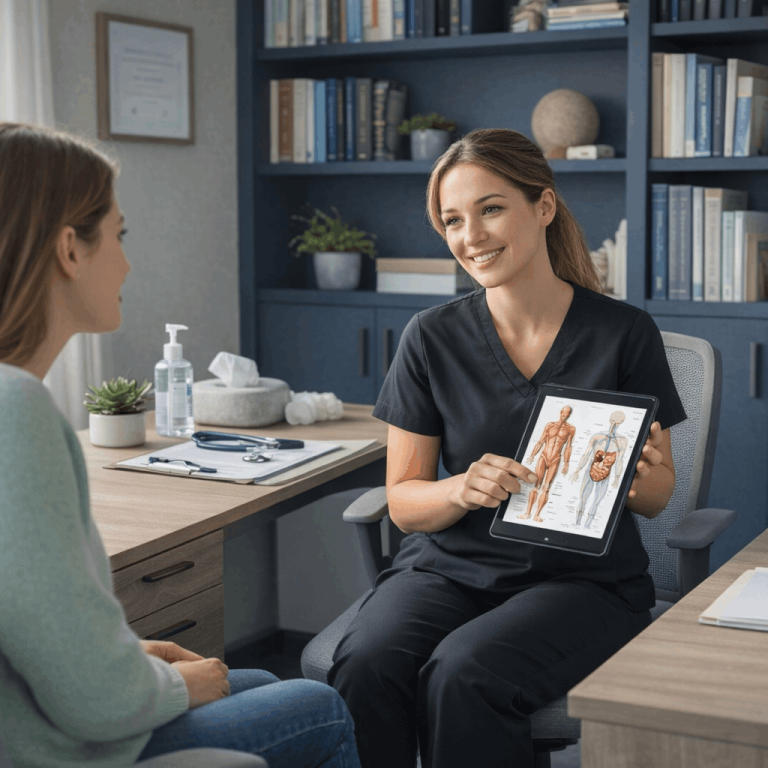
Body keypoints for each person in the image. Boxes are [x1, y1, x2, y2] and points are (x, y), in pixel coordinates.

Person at [0, 122, 361, 768]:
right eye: (119, 234)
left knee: (263, 685)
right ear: (69, 250)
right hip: (56, 751)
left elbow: (33, 630)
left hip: (36, 721)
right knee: (319, 706)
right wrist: (168, 684)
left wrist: (136, 658)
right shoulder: (14, 409)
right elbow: (94, 700)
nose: (129, 261)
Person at [328, 128, 686, 768]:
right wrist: (459, 487)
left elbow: (658, 500)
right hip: (446, 569)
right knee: (366, 665)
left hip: (583, 583)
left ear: (542, 207)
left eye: (491, 209)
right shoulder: (429, 337)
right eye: (453, 220)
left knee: (464, 675)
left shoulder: (624, 332)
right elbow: (405, 503)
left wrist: (641, 479)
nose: (473, 236)